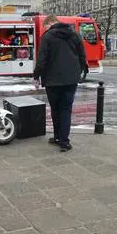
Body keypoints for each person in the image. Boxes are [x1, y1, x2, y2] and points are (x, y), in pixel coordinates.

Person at [33, 15, 87, 152]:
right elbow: (82, 55)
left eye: (45, 27)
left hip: (52, 80)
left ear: (50, 23)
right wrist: (79, 71)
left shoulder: (47, 37)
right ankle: (64, 141)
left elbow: (42, 59)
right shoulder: (74, 34)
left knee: (55, 109)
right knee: (66, 109)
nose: (45, 29)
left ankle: (58, 137)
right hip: (71, 79)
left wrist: (36, 76)